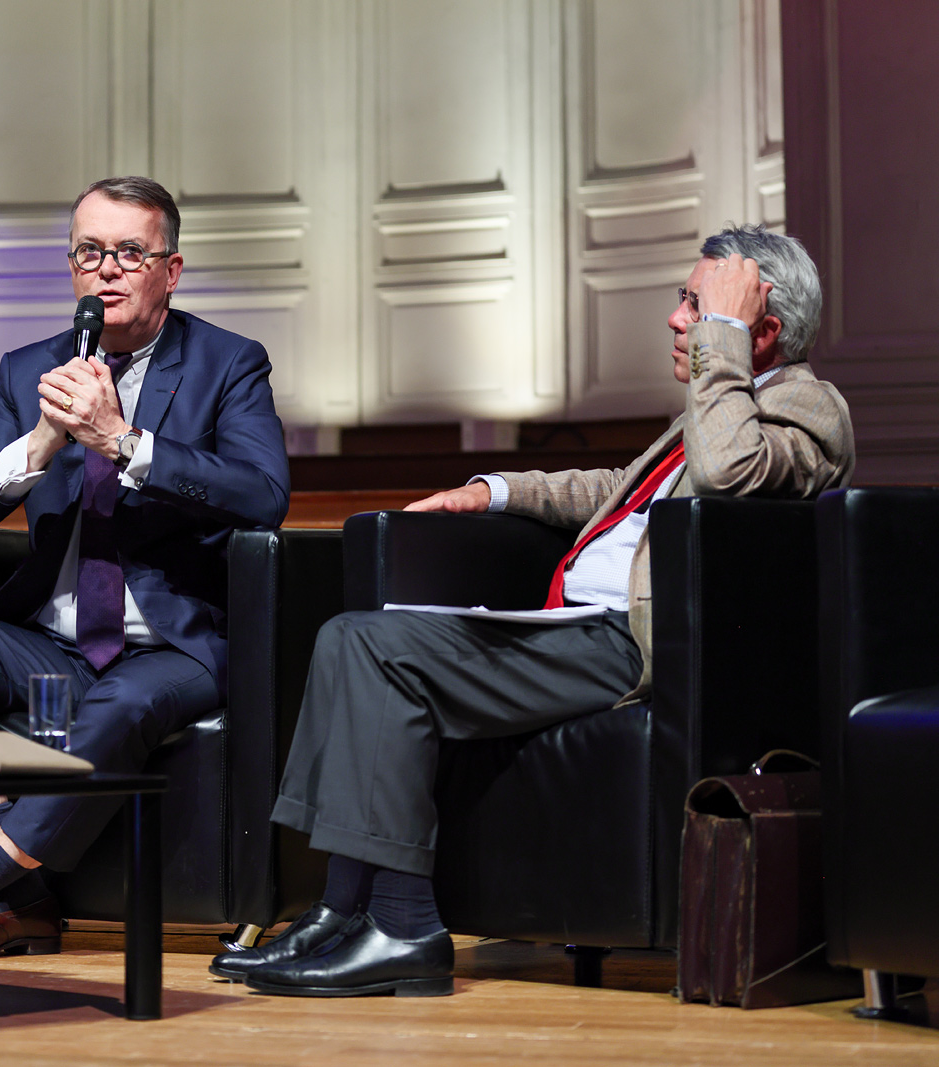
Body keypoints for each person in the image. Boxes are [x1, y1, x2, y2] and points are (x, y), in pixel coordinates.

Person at [212, 225, 856, 997]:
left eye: (698, 303)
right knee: (349, 637)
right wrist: (494, 491)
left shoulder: (806, 406)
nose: (677, 318)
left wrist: (724, 338)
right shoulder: (723, 404)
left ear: (762, 328)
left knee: (378, 648)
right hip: (577, 630)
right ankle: (343, 908)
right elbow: (619, 487)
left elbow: (727, 474)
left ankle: (404, 925)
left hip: (635, 643)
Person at [0, 176, 291, 961]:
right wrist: (39, 441)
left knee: (122, 700)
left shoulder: (228, 362)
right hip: (55, 643)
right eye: (90, 252)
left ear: (170, 270)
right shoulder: (30, 368)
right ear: (72, 269)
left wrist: (123, 442)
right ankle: (21, 898)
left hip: (175, 647)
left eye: (129, 252)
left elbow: (264, 495)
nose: (107, 269)